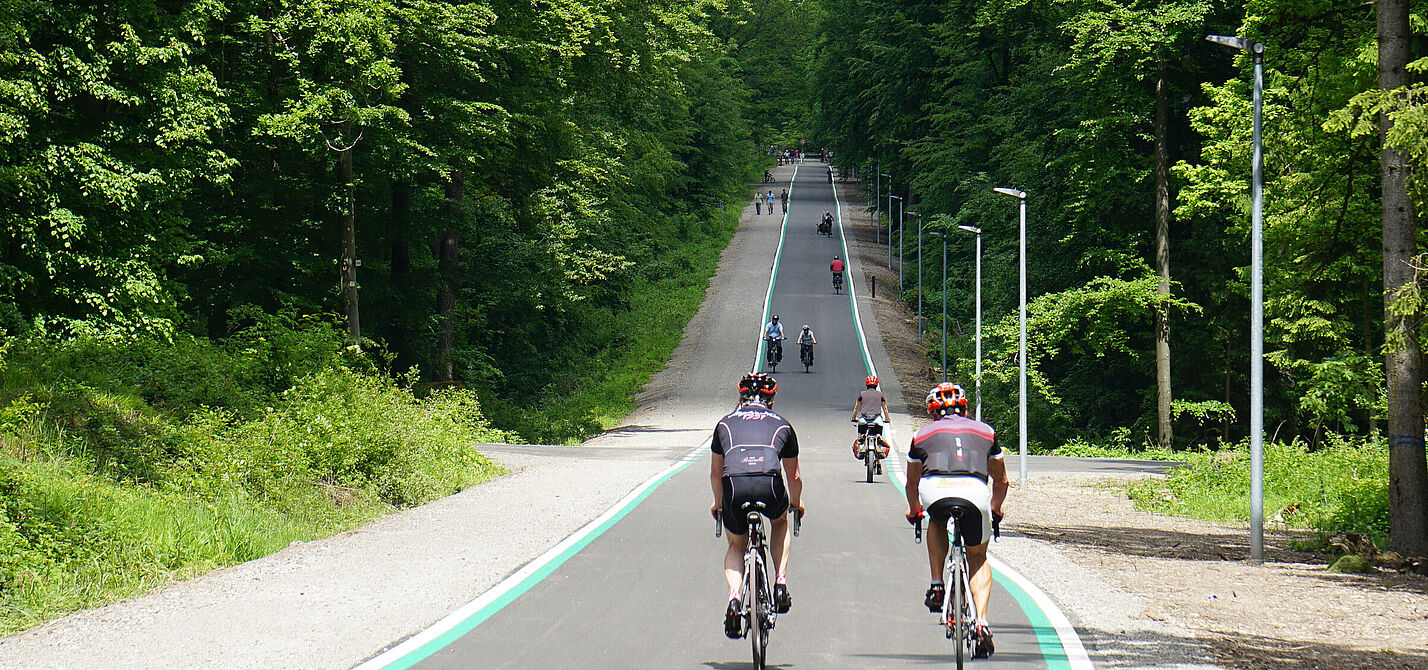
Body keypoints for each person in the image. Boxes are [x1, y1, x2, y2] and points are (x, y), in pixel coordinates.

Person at [903, 382, 1009, 659]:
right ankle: (982, 622)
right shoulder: (986, 431)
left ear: (932, 411)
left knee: (935, 521)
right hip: (974, 492)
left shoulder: (921, 434)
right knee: (978, 557)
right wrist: (995, 507)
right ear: (964, 408)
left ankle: (937, 584)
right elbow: (1001, 479)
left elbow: (912, 482)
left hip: (935, 490)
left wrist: (914, 508)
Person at [711, 373, 804, 638]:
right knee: (780, 520)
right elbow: (794, 476)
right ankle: (780, 582)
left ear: (740, 398)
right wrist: (796, 504)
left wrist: (719, 503)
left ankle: (734, 598)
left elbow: (716, 474)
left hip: (734, 486)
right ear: (771, 400)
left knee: (735, 545)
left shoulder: (724, 424)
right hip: (769, 484)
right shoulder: (782, 425)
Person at [850, 375, 890, 458]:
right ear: (876, 385)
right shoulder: (880, 395)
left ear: (866, 385)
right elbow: (885, 408)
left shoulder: (862, 394)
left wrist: (853, 418)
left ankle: (860, 438)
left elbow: (856, 408)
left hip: (864, 419)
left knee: (861, 435)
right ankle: (878, 436)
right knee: (878, 433)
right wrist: (887, 419)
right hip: (877, 419)